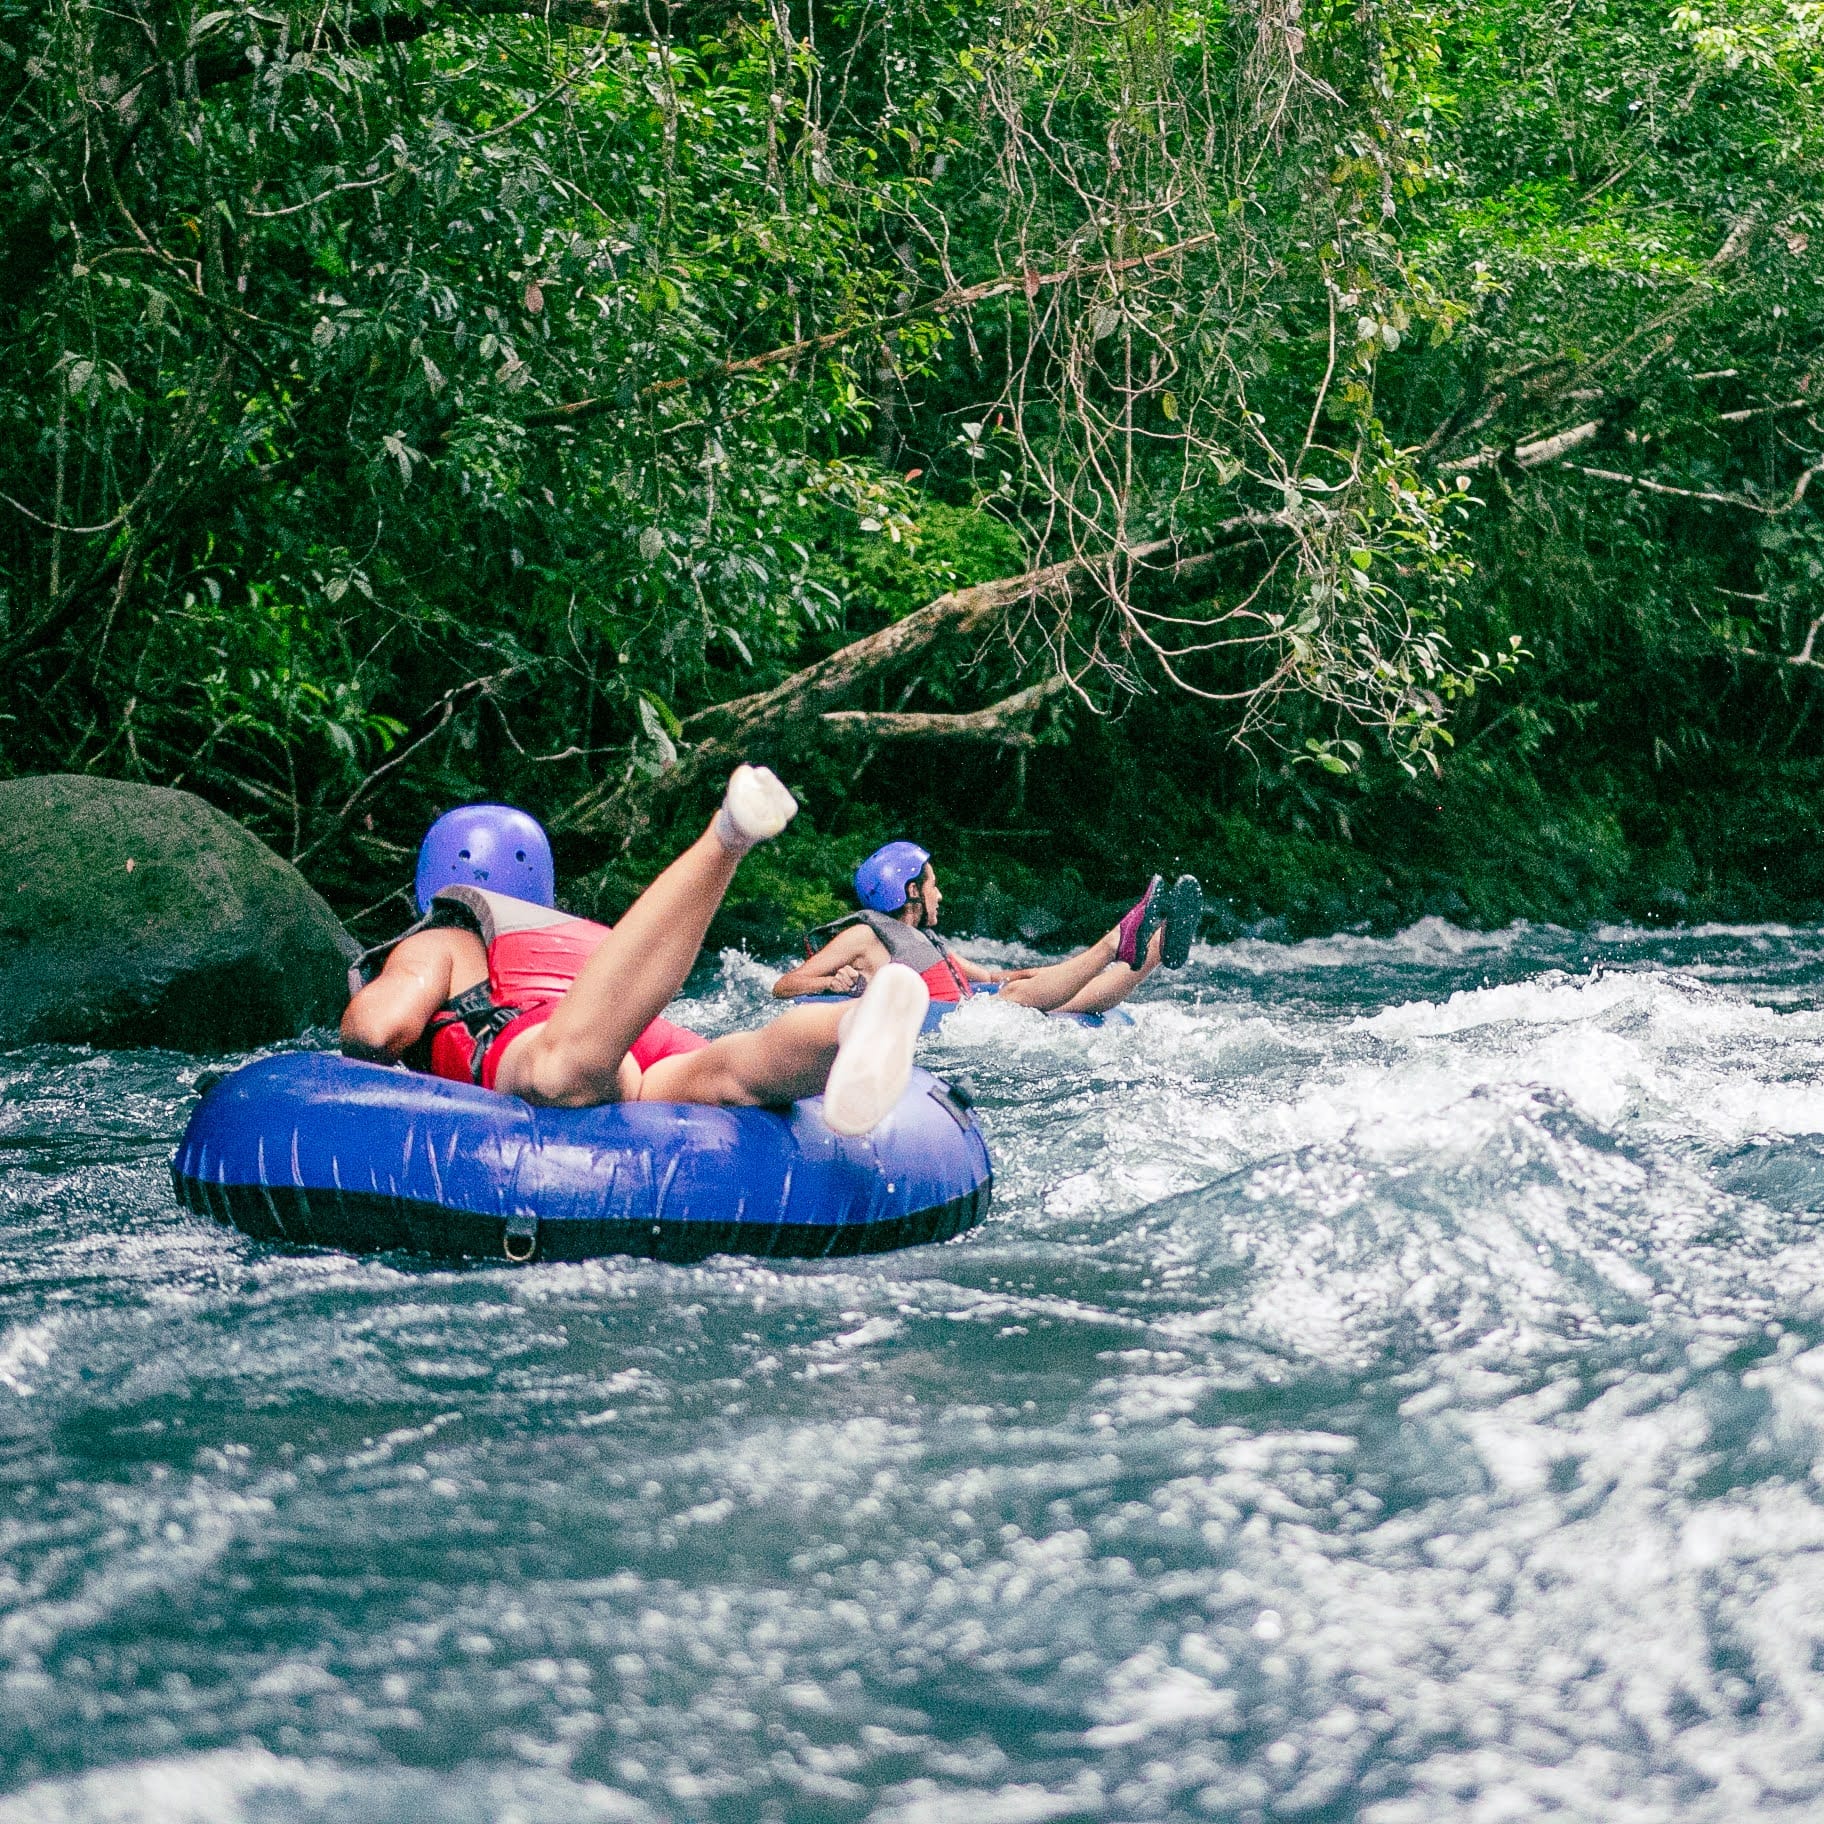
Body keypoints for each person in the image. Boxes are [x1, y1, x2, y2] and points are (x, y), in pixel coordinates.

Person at [340, 767, 928, 1136]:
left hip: (561, 1039)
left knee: (558, 1069)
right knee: (731, 1074)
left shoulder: (443, 937)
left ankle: (728, 837)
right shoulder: (582, 935)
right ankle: (851, 1022)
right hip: (635, 1023)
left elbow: (377, 1030)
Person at [771, 841, 1203, 1018]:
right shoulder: (863, 936)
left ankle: (1156, 945)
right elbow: (785, 985)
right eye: (933, 885)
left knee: (1074, 999)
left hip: (969, 1014)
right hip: (948, 1026)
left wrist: (1040, 973)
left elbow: (991, 979)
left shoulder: (927, 943)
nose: (940, 894)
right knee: (1012, 1001)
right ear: (911, 892)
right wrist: (834, 979)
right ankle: (1116, 940)